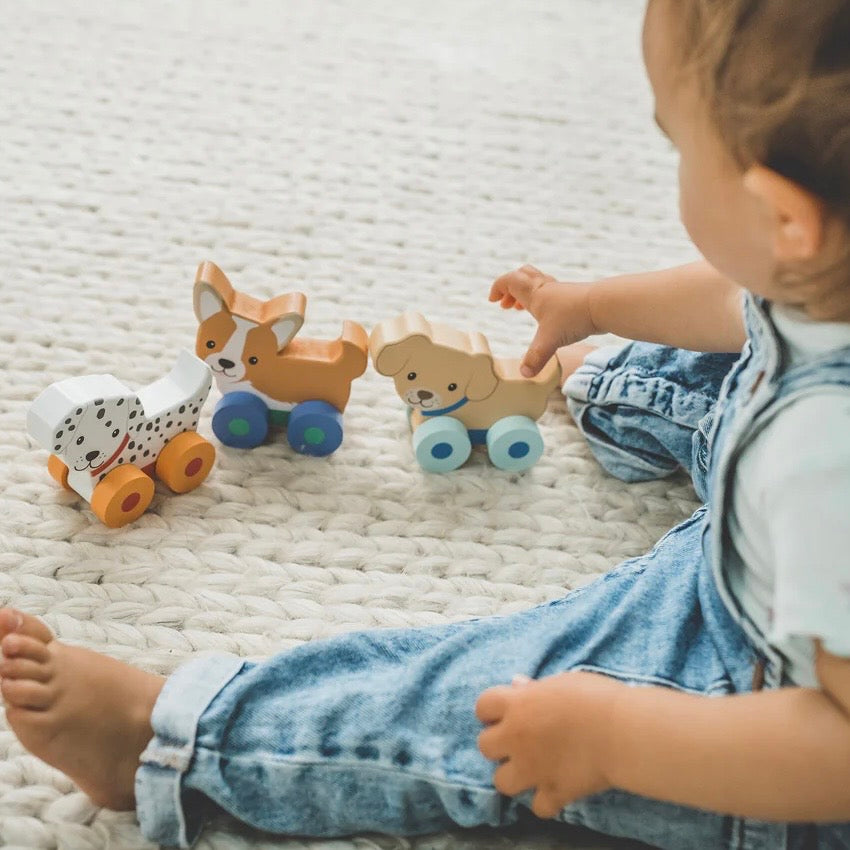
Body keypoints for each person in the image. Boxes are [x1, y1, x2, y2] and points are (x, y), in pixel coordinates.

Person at [2, 1, 849, 847]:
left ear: (784, 219)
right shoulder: (816, 270)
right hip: (788, 457)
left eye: (678, 146)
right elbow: (738, 297)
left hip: (754, 683)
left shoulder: (825, 463)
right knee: (733, 355)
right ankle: (626, 396)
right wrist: (586, 305)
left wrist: (617, 736)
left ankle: (184, 737)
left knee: (483, 703)